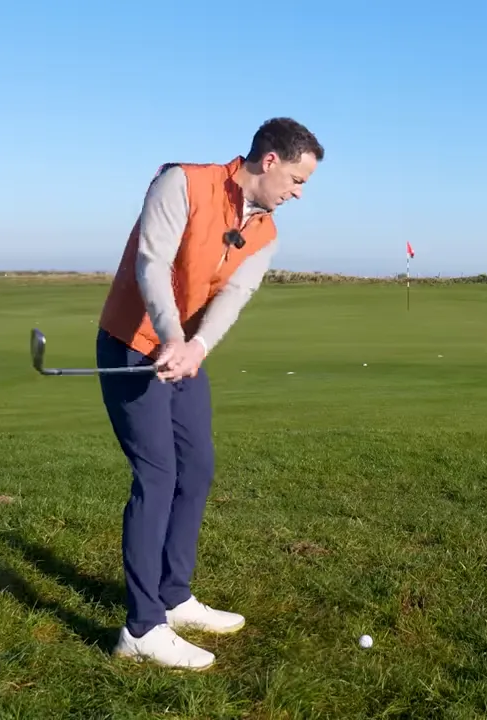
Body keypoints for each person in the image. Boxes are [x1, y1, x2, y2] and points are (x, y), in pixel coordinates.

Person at [95, 117, 324, 669]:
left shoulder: (264, 229)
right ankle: (141, 629)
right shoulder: (182, 183)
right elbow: (152, 262)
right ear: (270, 161)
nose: (298, 193)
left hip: (184, 354)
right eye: (296, 179)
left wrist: (195, 348)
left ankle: (173, 596)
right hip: (133, 343)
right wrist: (172, 337)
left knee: (196, 468)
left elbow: (233, 296)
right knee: (157, 474)